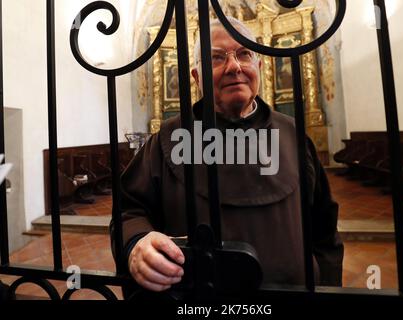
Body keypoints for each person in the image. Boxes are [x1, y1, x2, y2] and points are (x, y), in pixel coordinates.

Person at [110, 17, 343, 295]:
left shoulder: (293, 135)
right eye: (217, 58)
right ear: (197, 77)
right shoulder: (167, 139)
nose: (234, 67)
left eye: (244, 54)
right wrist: (137, 243)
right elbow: (128, 211)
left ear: (259, 65)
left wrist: (325, 282)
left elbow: (324, 230)